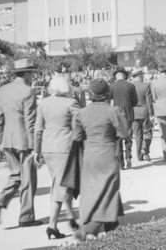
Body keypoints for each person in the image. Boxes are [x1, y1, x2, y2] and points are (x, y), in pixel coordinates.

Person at [72, 78, 129, 240]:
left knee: (93, 191)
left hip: (89, 156)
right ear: (107, 95)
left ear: (90, 94)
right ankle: (89, 228)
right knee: (109, 190)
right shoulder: (113, 111)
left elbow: (77, 137)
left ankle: (113, 225)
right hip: (108, 154)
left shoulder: (81, 113)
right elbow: (124, 134)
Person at [0, 58, 42, 227]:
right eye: (31, 73)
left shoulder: (3, 90)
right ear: (27, 74)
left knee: (15, 175)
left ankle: (0, 200)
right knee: (28, 180)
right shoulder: (28, 91)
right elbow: (30, 121)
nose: (32, 77)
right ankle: (26, 217)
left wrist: (0, 140)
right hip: (24, 141)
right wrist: (36, 146)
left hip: (7, 139)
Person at [34, 74, 80, 239]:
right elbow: (78, 127)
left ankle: (70, 217)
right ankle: (52, 225)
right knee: (61, 186)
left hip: (48, 148)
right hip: (64, 147)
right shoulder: (70, 103)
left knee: (60, 183)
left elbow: (38, 129)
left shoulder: (43, 103)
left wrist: (36, 151)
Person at [109, 66, 138, 169]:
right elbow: (135, 101)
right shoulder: (131, 86)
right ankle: (129, 157)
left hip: (116, 115)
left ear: (116, 76)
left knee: (118, 139)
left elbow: (109, 101)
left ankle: (120, 163)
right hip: (128, 113)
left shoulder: (112, 86)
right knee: (128, 138)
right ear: (124, 75)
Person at [131, 68, 155, 162]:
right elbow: (149, 102)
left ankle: (139, 155)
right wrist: (151, 114)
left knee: (137, 135)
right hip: (144, 112)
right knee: (148, 132)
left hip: (134, 112)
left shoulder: (131, 86)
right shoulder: (146, 86)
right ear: (140, 76)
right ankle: (145, 148)